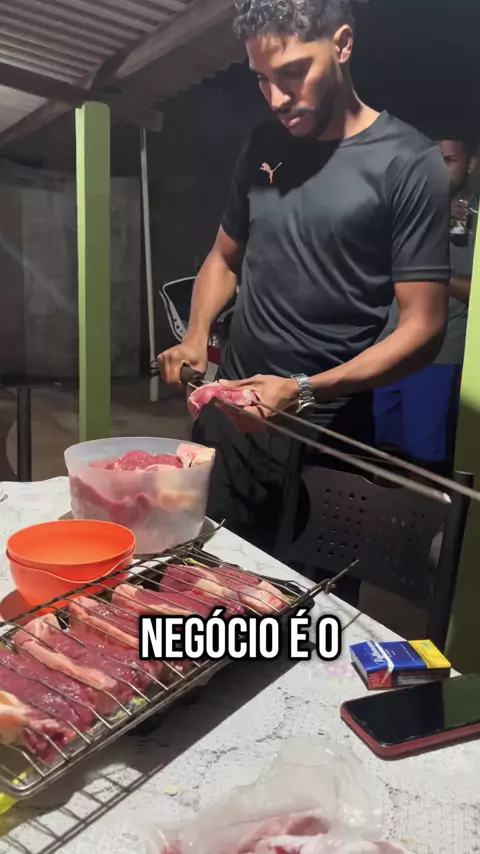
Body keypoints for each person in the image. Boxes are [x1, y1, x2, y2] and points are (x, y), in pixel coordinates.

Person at [158, 0, 451, 588]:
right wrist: (196, 335)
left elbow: (424, 328)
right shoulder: (261, 145)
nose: (276, 97)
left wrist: (303, 389)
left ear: (342, 44)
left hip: (326, 436)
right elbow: (224, 256)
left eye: (293, 73)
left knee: (310, 611)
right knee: (204, 587)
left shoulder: (408, 163)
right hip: (231, 419)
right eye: (262, 79)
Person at [374, 139, 478, 475]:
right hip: (386, 348)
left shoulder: (475, 220)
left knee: (424, 461)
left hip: (437, 355)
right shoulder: (410, 209)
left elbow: (474, 292)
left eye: (449, 160)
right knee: (380, 455)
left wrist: (430, 268)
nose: (439, 168)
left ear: (471, 165)